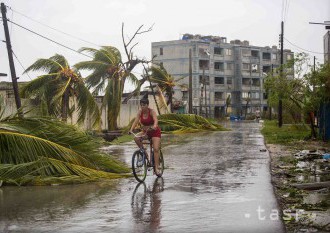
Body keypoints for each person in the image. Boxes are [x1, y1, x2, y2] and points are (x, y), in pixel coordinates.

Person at [129, 97, 162, 175]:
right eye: (141, 105)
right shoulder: (140, 112)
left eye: (144, 105)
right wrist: (131, 129)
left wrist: (154, 126)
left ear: (147, 105)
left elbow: (155, 120)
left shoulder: (152, 111)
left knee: (156, 149)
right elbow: (136, 120)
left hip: (154, 132)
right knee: (136, 138)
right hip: (146, 132)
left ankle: (157, 168)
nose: (142, 107)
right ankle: (145, 153)